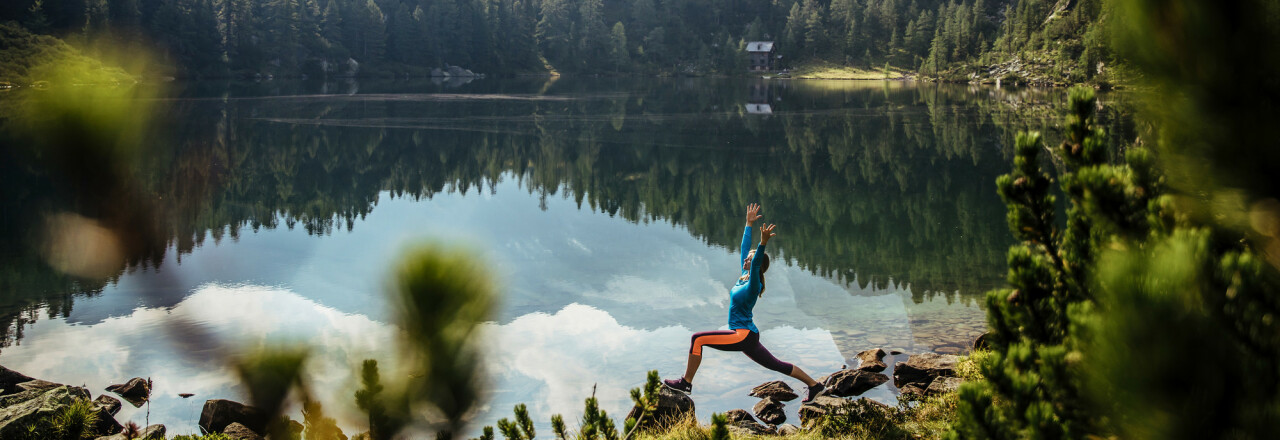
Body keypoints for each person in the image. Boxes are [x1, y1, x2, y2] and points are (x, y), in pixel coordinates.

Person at [663, 203, 825, 403]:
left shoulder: (753, 284)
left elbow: (756, 261)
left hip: (742, 335)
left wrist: (763, 243)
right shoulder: (744, 276)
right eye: (747, 259)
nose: (746, 260)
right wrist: (748, 224)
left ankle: (686, 383)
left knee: (698, 339)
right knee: (777, 364)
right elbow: (744, 248)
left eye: (749, 259)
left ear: (756, 265)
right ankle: (815, 386)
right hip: (748, 335)